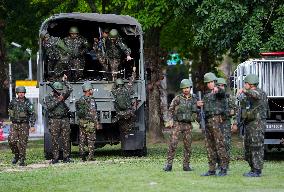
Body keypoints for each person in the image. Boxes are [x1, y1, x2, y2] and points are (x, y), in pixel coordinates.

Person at [235, 74, 268, 177]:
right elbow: (244, 104)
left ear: (250, 84)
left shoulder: (260, 93)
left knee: (256, 147)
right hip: (250, 124)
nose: (244, 85)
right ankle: (253, 169)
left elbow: (255, 95)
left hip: (257, 125)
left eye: (245, 84)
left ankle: (257, 170)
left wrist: (244, 91)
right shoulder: (249, 94)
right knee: (248, 147)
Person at [197, 72, 229, 176]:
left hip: (217, 121)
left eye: (212, 82)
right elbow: (202, 111)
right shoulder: (206, 96)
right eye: (208, 82)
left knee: (220, 145)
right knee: (209, 146)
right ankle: (212, 169)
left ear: (215, 82)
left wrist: (218, 89)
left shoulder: (219, 91)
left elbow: (223, 93)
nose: (210, 84)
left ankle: (224, 168)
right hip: (208, 122)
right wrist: (198, 105)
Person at [163, 79, 198, 172]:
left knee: (188, 146)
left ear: (190, 88)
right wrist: (169, 120)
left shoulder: (194, 98)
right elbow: (170, 110)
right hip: (177, 124)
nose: (186, 89)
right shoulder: (178, 98)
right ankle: (169, 165)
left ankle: (186, 165)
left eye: (187, 87)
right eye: (184, 88)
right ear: (182, 89)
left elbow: (196, 111)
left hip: (188, 125)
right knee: (173, 144)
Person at [43, 75, 73, 164]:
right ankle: (55, 157)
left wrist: (65, 81)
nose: (59, 92)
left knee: (66, 139)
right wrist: (58, 100)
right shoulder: (48, 97)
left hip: (64, 119)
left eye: (60, 90)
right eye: (58, 90)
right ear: (54, 90)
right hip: (54, 120)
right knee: (54, 139)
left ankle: (66, 157)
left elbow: (70, 89)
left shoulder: (62, 95)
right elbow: (49, 107)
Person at [8, 86, 36, 166]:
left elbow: (32, 114)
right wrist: (12, 117)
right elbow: (10, 110)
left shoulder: (28, 102)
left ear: (24, 93)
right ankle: (16, 155)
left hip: (24, 125)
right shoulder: (13, 101)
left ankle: (22, 159)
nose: (21, 94)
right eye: (20, 92)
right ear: (17, 93)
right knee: (11, 140)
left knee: (22, 143)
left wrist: (32, 125)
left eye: (22, 92)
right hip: (15, 124)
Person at [76, 82, 100, 161]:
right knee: (91, 140)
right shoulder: (91, 100)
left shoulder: (80, 99)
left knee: (82, 139)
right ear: (88, 90)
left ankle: (82, 156)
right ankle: (90, 157)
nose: (92, 90)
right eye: (91, 89)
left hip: (82, 123)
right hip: (90, 123)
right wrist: (97, 123)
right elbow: (94, 113)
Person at [216, 77, 236, 168]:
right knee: (217, 143)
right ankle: (219, 163)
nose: (221, 87)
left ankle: (225, 164)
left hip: (225, 123)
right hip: (215, 123)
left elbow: (235, 110)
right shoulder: (214, 97)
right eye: (219, 86)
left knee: (226, 143)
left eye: (222, 86)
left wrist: (234, 123)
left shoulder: (229, 97)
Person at [111, 67, 136, 138]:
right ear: (122, 83)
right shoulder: (127, 89)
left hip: (120, 113)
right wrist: (134, 72)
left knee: (121, 122)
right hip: (128, 112)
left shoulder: (115, 92)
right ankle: (127, 131)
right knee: (132, 118)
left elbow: (113, 87)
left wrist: (114, 76)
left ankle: (124, 131)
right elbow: (132, 80)